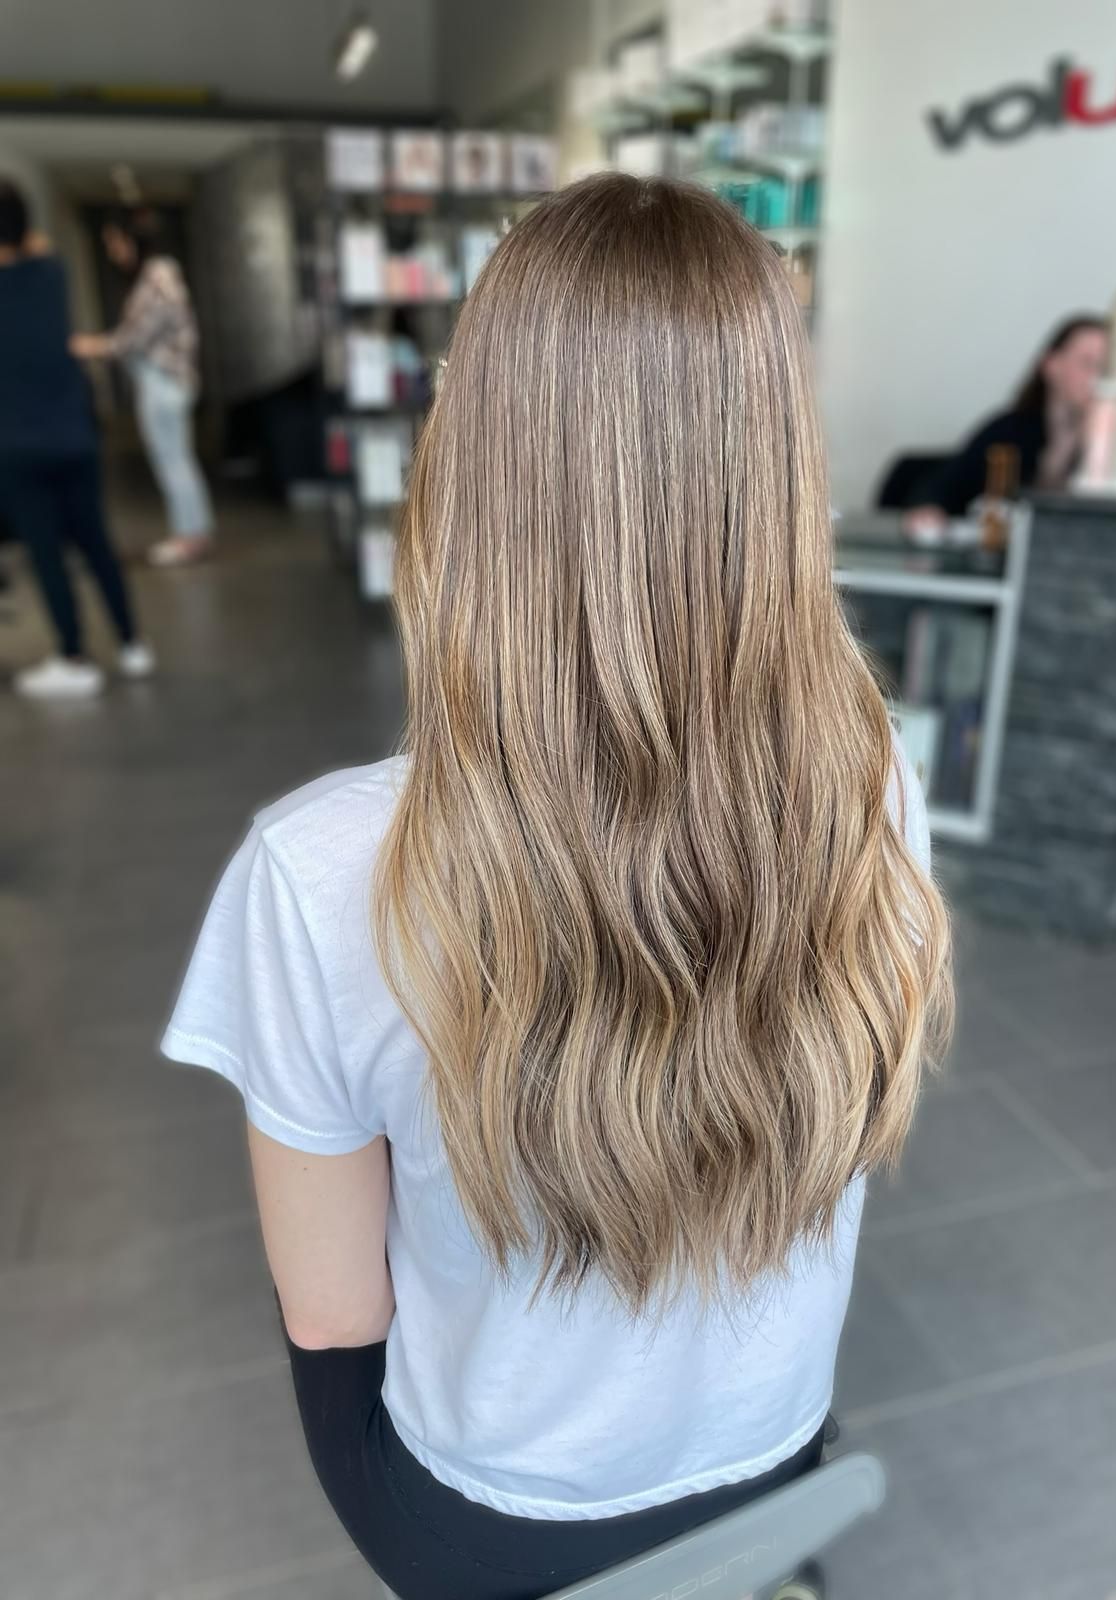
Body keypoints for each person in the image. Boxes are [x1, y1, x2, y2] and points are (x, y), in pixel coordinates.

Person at [162, 176, 952, 1600]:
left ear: (474, 460)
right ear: (777, 468)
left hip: (492, 1519)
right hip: (778, 1453)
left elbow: (332, 1315)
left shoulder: (324, 872)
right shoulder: (872, 785)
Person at [0, 178, 153, 699]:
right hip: (74, 437)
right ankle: (133, 645)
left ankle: (74, 658)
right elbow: (36, 242)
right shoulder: (52, 272)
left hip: (19, 444)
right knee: (95, 543)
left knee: (47, 554)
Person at [72, 210, 215, 567]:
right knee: (178, 459)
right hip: (166, 380)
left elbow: (136, 336)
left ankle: (189, 537)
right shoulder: (160, 276)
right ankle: (194, 532)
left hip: (163, 381)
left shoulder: (157, 277)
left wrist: (95, 346)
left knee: (172, 461)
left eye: (115, 242)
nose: (113, 251)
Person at [905, 314, 1109, 522]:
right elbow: (944, 484)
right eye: (1088, 363)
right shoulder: (1010, 430)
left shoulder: (1114, 446)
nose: (1098, 378)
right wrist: (929, 509)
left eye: (1107, 367)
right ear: (1051, 365)